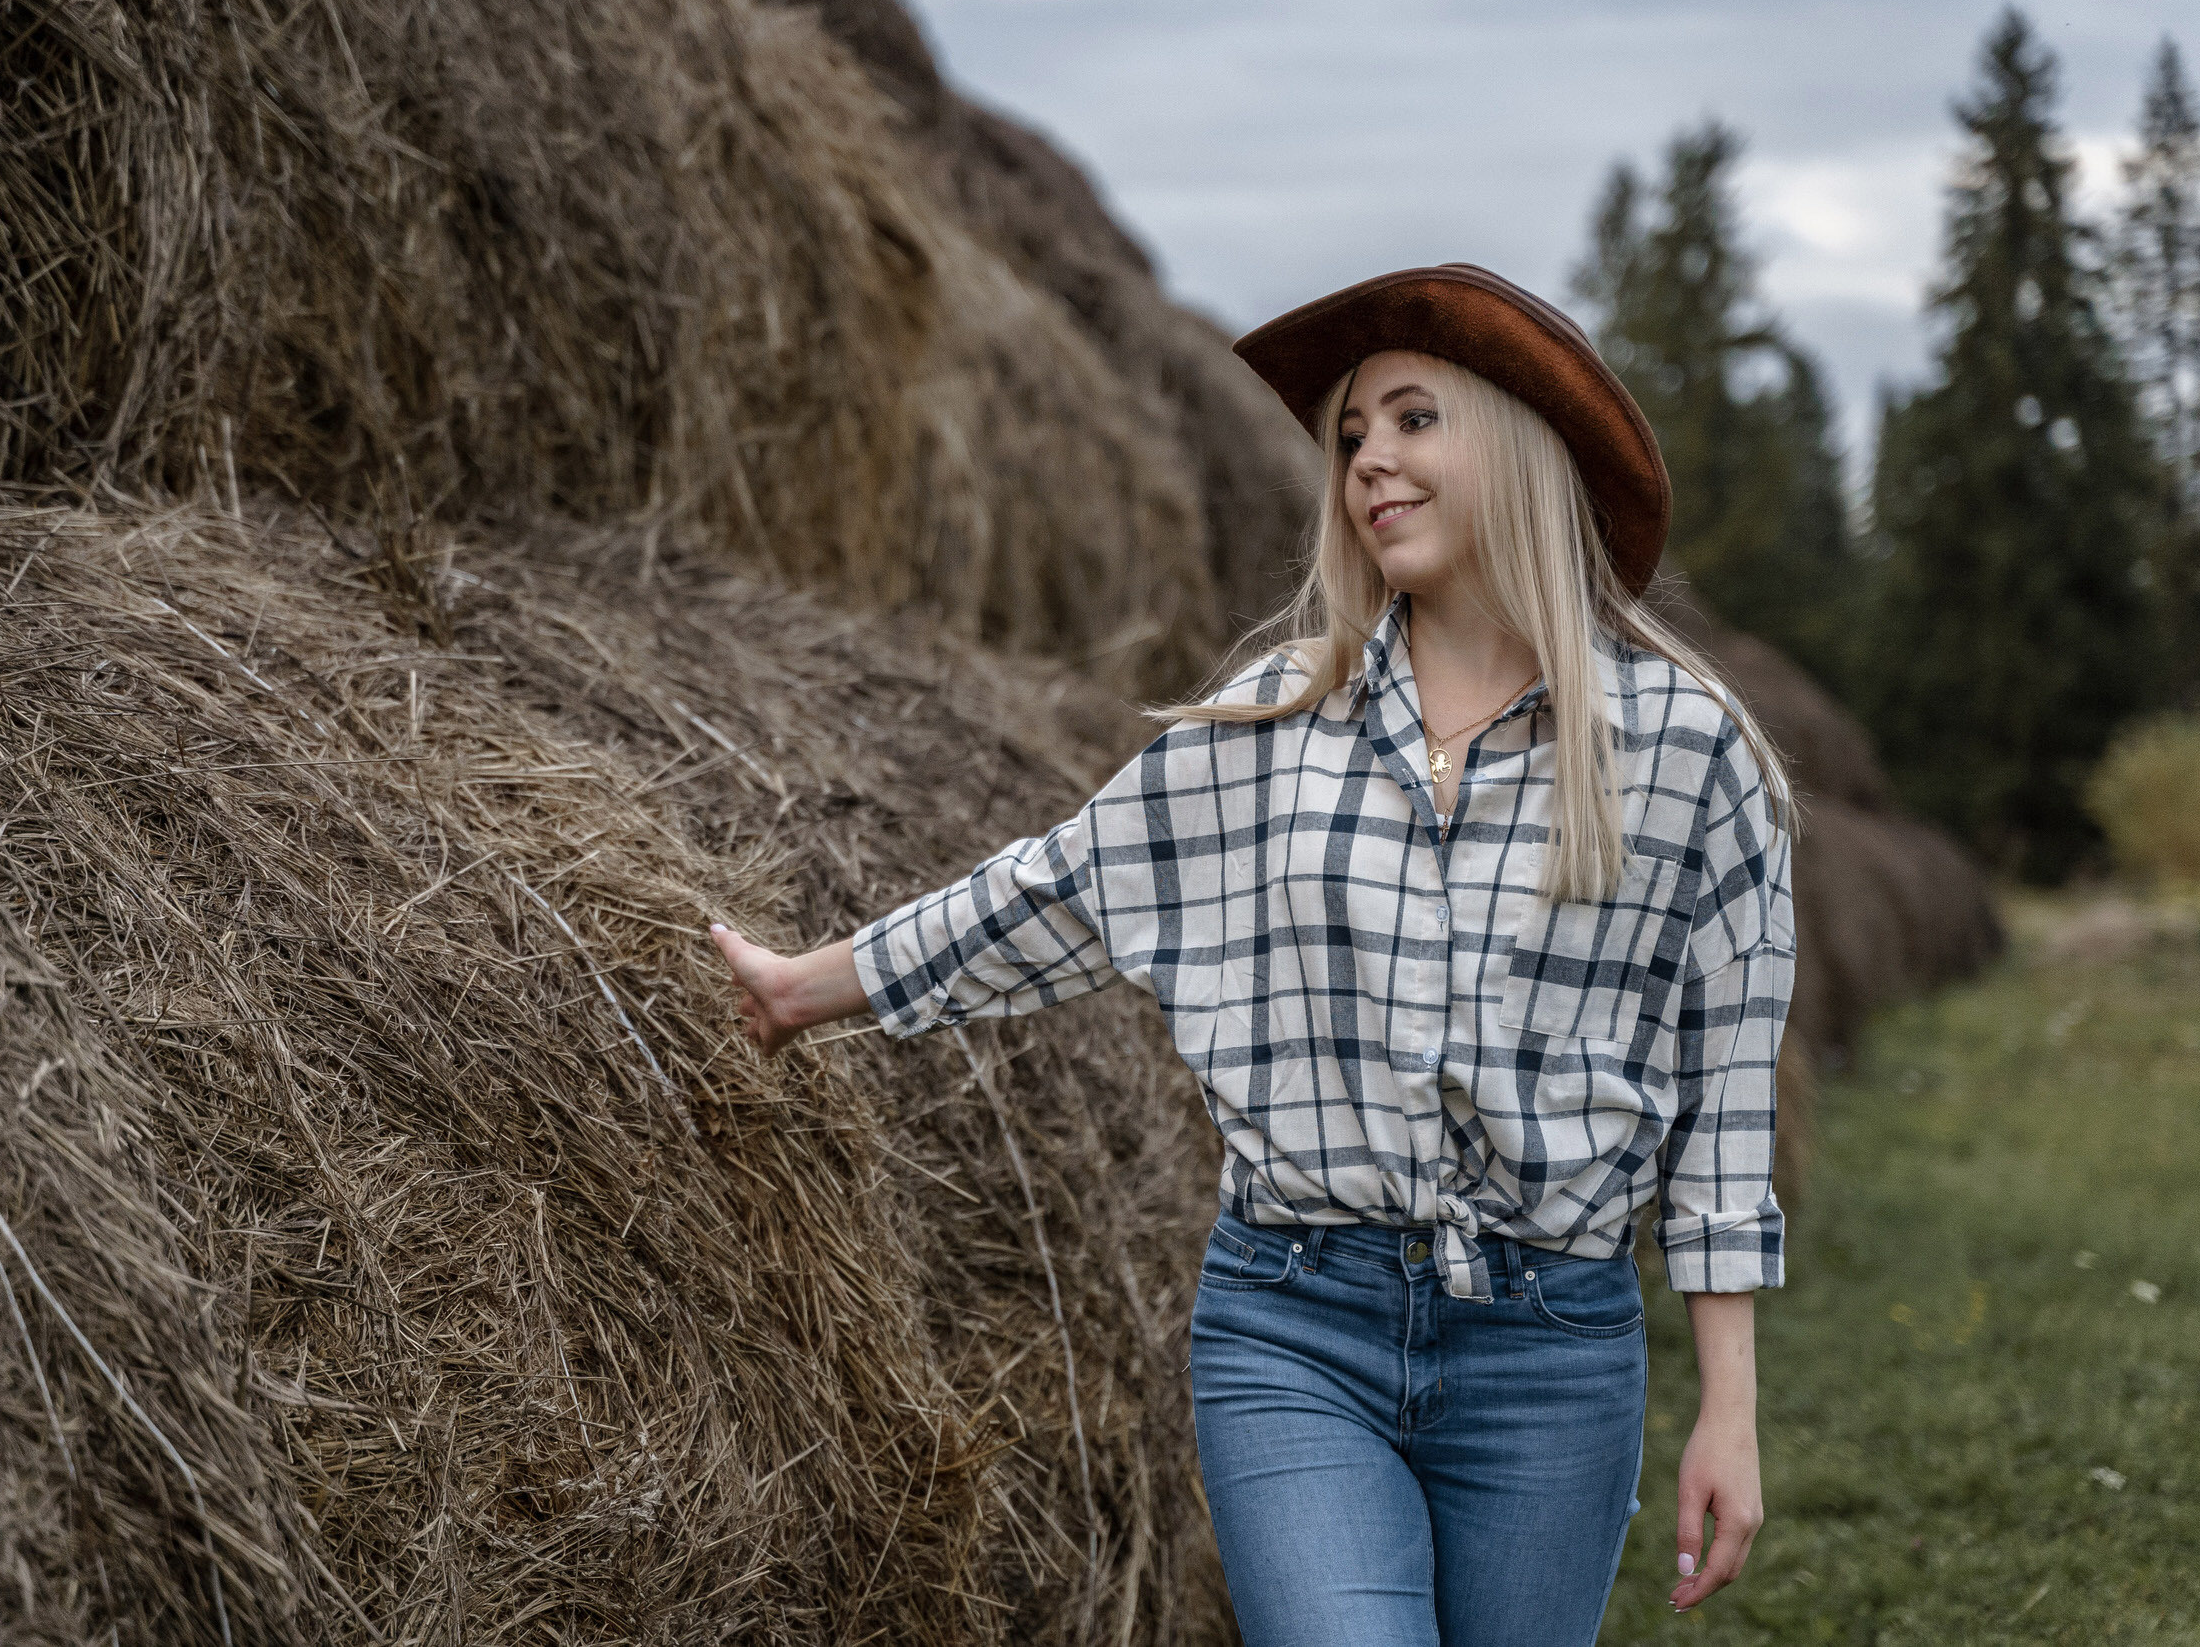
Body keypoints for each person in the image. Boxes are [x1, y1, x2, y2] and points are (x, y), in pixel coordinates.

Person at [708, 263, 1793, 1647]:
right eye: (1351, 439)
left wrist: (1731, 1413)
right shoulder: (1271, 732)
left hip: (1551, 1353)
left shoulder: (1686, 754)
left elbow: (1728, 1100)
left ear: (1522, 445)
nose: (1369, 465)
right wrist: (809, 989)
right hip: (1295, 1326)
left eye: (1412, 421)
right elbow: (1055, 890)